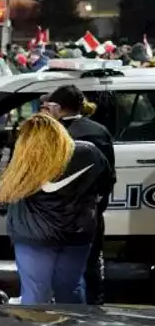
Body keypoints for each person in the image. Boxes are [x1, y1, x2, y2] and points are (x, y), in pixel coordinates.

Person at [0, 113, 110, 304]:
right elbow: (105, 186)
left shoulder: (27, 161)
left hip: (34, 237)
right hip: (78, 234)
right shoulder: (89, 152)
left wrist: (6, 155)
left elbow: (1, 200)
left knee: (36, 294)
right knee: (71, 288)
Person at [42, 85, 115, 304]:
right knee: (90, 264)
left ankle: (66, 317)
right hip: (88, 213)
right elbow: (108, 177)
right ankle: (94, 312)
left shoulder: (51, 133)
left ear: (57, 107)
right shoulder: (99, 131)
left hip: (56, 215)